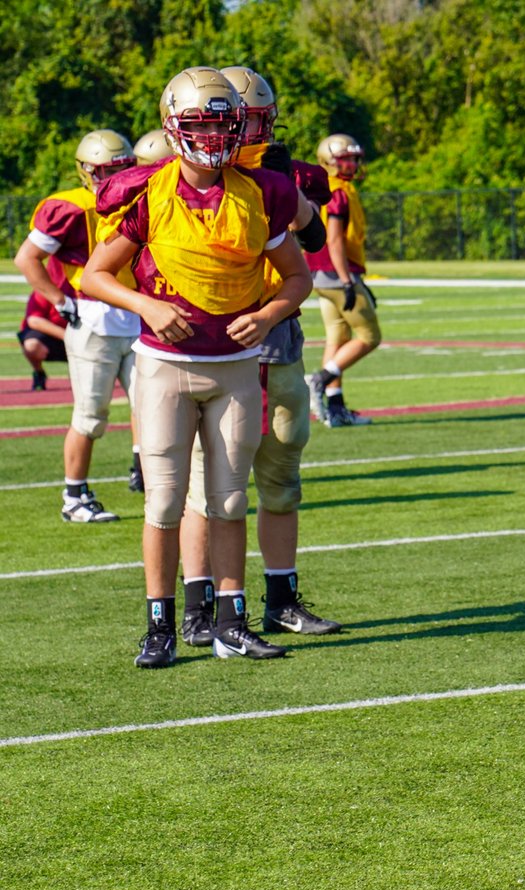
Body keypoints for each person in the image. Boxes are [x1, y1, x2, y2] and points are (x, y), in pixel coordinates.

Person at [81, 65, 312, 668]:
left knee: (230, 501)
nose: (211, 138)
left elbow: (297, 276)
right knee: (163, 502)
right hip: (164, 366)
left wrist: (266, 317)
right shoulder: (145, 192)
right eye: (199, 124)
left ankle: (232, 622)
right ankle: (159, 624)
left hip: (236, 364)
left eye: (221, 125)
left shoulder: (262, 191)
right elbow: (95, 275)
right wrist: (147, 303)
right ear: (171, 126)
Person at [172, 65, 341, 650]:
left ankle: (280, 599)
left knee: (279, 480)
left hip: (279, 339)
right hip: (214, 347)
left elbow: (313, 239)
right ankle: (198, 606)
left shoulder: (278, 178)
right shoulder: (187, 178)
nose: (252, 132)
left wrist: (284, 190)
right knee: (206, 486)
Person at [14, 129, 141, 521]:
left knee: (155, 409)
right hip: (93, 321)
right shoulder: (69, 206)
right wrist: (60, 300)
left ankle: (154, 480)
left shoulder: (145, 197)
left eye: (121, 169)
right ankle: (74, 497)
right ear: (87, 171)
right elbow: (27, 258)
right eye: (106, 171)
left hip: (140, 319)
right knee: (90, 416)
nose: (114, 178)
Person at [304, 133, 377, 427]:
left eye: (353, 158)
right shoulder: (337, 192)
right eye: (345, 158)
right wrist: (348, 281)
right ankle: (320, 379)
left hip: (322, 273)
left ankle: (335, 409)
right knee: (370, 336)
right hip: (335, 273)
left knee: (338, 337)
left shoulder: (332, 187)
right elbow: (334, 241)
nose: (352, 164)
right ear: (329, 161)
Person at [17, 290, 68, 391]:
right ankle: (39, 373)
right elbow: (34, 320)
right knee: (32, 345)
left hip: (82, 334)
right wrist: (68, 337)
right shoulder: (43, 291)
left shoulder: (83, 288)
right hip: (57, 337)